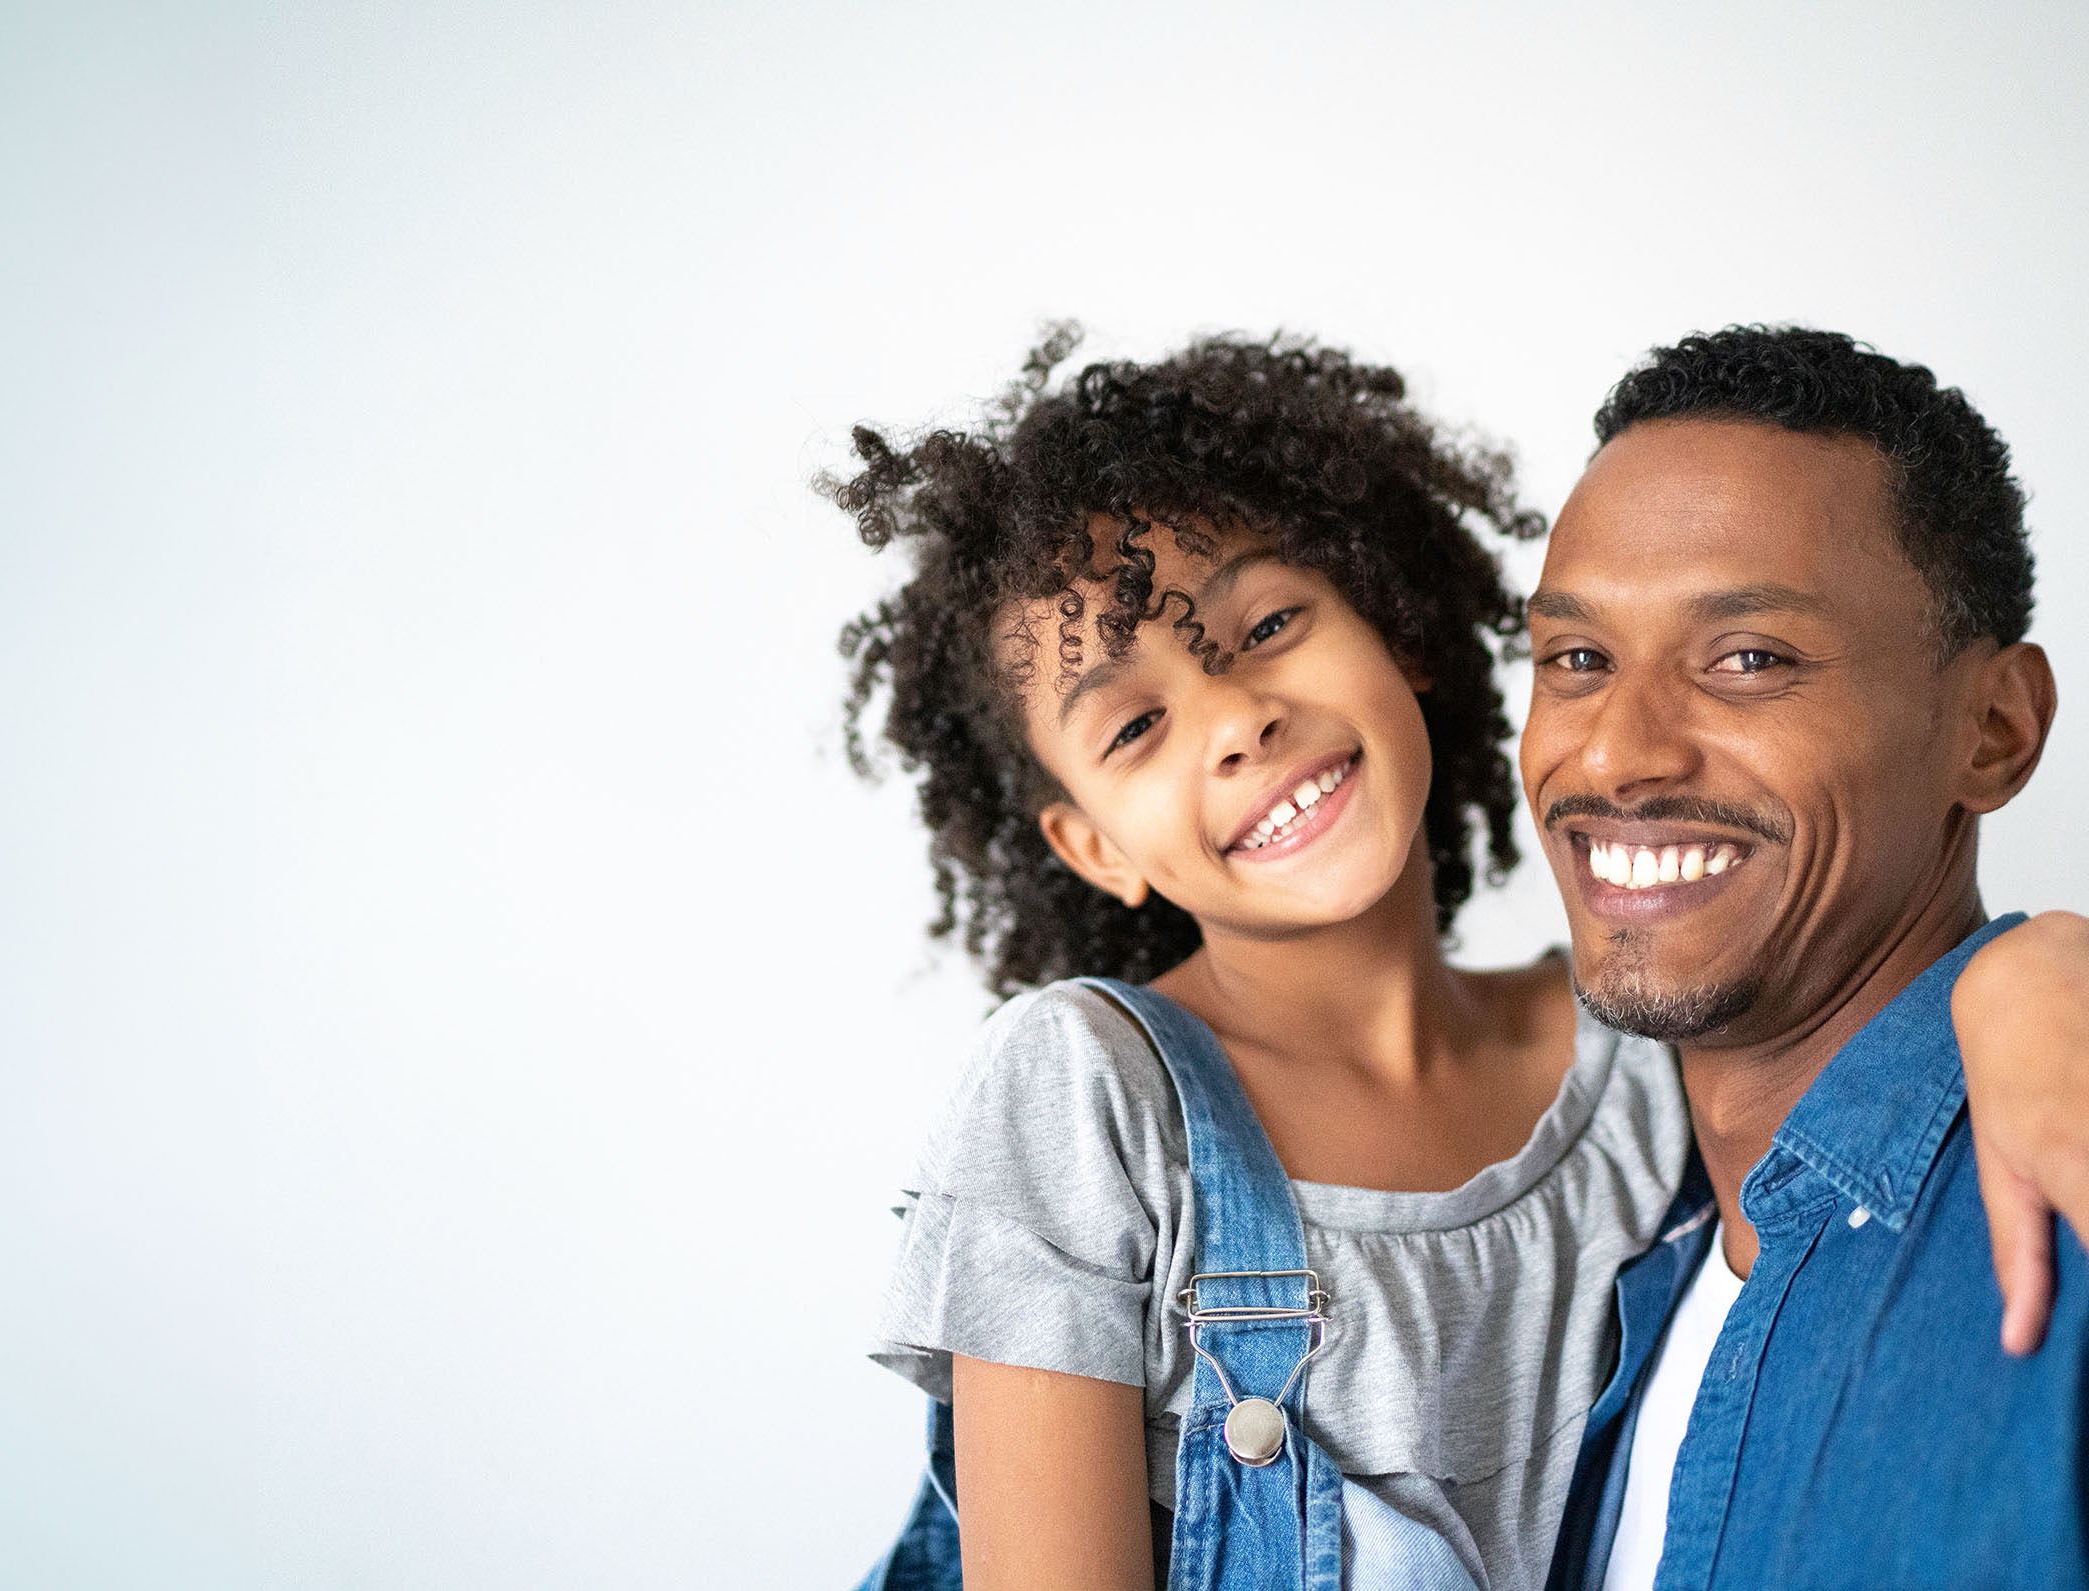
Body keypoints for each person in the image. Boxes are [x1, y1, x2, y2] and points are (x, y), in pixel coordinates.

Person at [828, 330, 2089, 1591]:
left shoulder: (1646, 1058)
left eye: (1267, 625)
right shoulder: (1089, 1091)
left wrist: (2024, 968)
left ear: (1399, 632)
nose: (1238, 722)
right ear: (1091, 843)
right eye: (1140, 724)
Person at [1531, 327, 2088, 1590]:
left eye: (1748, 661)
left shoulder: (2063, 1174)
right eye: (1577, 659)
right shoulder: (1598, 1286)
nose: (1617, 754)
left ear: (1994, 731)